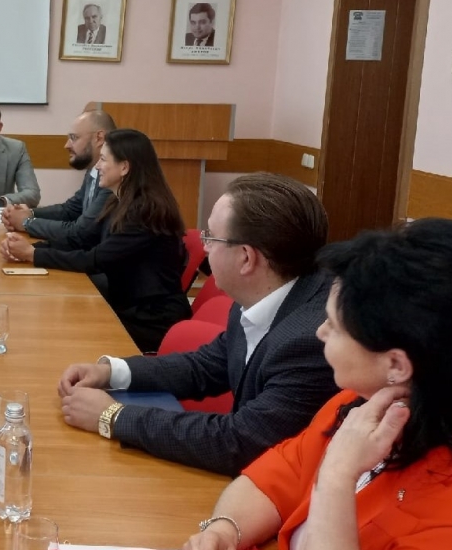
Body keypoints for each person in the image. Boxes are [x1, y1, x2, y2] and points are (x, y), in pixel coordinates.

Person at [178, 218, 452, 550]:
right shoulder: (362, 405)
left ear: (397, 365)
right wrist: (223, 529)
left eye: (334, 325)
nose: (319, 333)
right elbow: (276, 476)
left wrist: (336, 478)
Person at [56, 173, 336, 475]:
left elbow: (239, 442)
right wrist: (112, 372)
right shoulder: (264, 293)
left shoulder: (312, 339)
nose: (204, 247)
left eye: (211, 237)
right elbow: (207, 365)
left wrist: (112, 416)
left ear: (246, 259)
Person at [1, 128, 188, 352]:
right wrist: (32, 248)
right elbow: (83, 240)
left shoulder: (145, 212)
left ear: (124, 167)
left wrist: (33, 254)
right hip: (127, 304)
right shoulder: (118, 201)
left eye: (103, 159)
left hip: (150, 320)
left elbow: (94, 260)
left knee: (65, 331)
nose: (97, 166)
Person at [3, 108, 116, 245]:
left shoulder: (112, 178)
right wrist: (28, 213)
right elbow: (70, 210)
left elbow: (80, 233)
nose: (66, 145)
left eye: (74, 137)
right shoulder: (93, 170)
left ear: (99, 138)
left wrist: (27, 222)